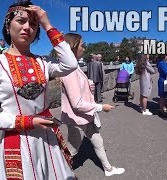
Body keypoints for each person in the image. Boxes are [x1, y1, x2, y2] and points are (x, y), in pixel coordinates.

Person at [0, 1, 78, 179]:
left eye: (33, 24)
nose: (27, 27)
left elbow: (70, 63)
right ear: (8, 27)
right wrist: (27, 122)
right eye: (20, 21)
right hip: (19, 141)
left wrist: (47, 24)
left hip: (49, 138)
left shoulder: (44, 62)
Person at [60, 33, 125, 177]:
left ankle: (108, 169)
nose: (84, 48)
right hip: (78, 117)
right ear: (73, 47)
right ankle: (58, 172)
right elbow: (77, 104)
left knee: (97, 140)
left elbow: (79, 91)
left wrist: (88, 85)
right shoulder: (70, 70)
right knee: (72, 149)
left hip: (84, 116)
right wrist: (102, 107)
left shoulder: (73, 67)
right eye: (82, 45)